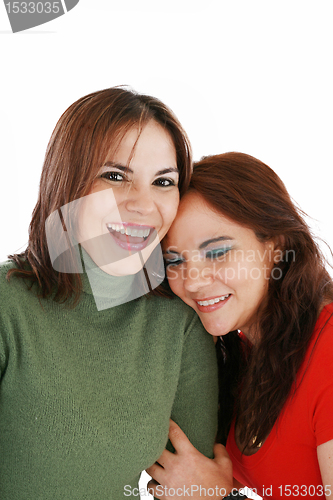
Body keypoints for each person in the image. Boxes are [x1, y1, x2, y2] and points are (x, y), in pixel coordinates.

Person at [0, 87, 219, 500]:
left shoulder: (179, 322)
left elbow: (194, 483)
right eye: (115, 176)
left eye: (163, 182)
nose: (142, 203)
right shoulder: (7, 306)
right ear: (67, 181)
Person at [147, 152, 333, 499]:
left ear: (275, 248)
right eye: (174, 260)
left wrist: (218, 496)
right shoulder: (244, 349)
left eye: (217, 252)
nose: (194, 282)